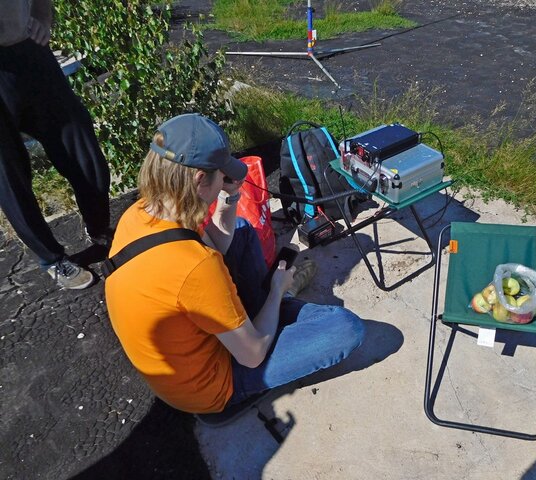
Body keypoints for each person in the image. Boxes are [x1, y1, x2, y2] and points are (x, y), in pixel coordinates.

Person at [105, 114, 365, 418]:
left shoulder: (142, 211)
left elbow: (218, 245)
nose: (224, 181)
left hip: (177, 355)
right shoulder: (195, 265)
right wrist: (276, 291)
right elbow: (252, 356)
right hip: (210, 388)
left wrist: (230, 196)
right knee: (345, 328)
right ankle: (276, 303)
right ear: (199, 179)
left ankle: (260, 313)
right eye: (221, 175)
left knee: (240, 228)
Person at [0, 0, 112, 289]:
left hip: (28, 51)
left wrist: (41, 16)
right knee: (9, 178)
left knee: (82, 147)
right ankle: (52, 259)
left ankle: (99, 229)